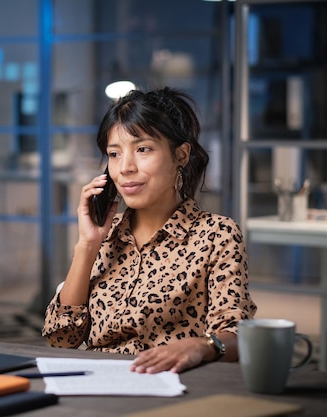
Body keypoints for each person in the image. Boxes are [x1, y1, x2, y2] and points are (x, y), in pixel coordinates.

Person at [41, 87, 257, 374]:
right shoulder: (106, 236)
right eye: (114, 154)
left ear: (180, 155)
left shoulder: (217, 234)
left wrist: (203, 346)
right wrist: (87, 246)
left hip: (174, 385)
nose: (125, 168)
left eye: (143, 149)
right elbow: (60, 338)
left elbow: (237, 337)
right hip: (99, 384)